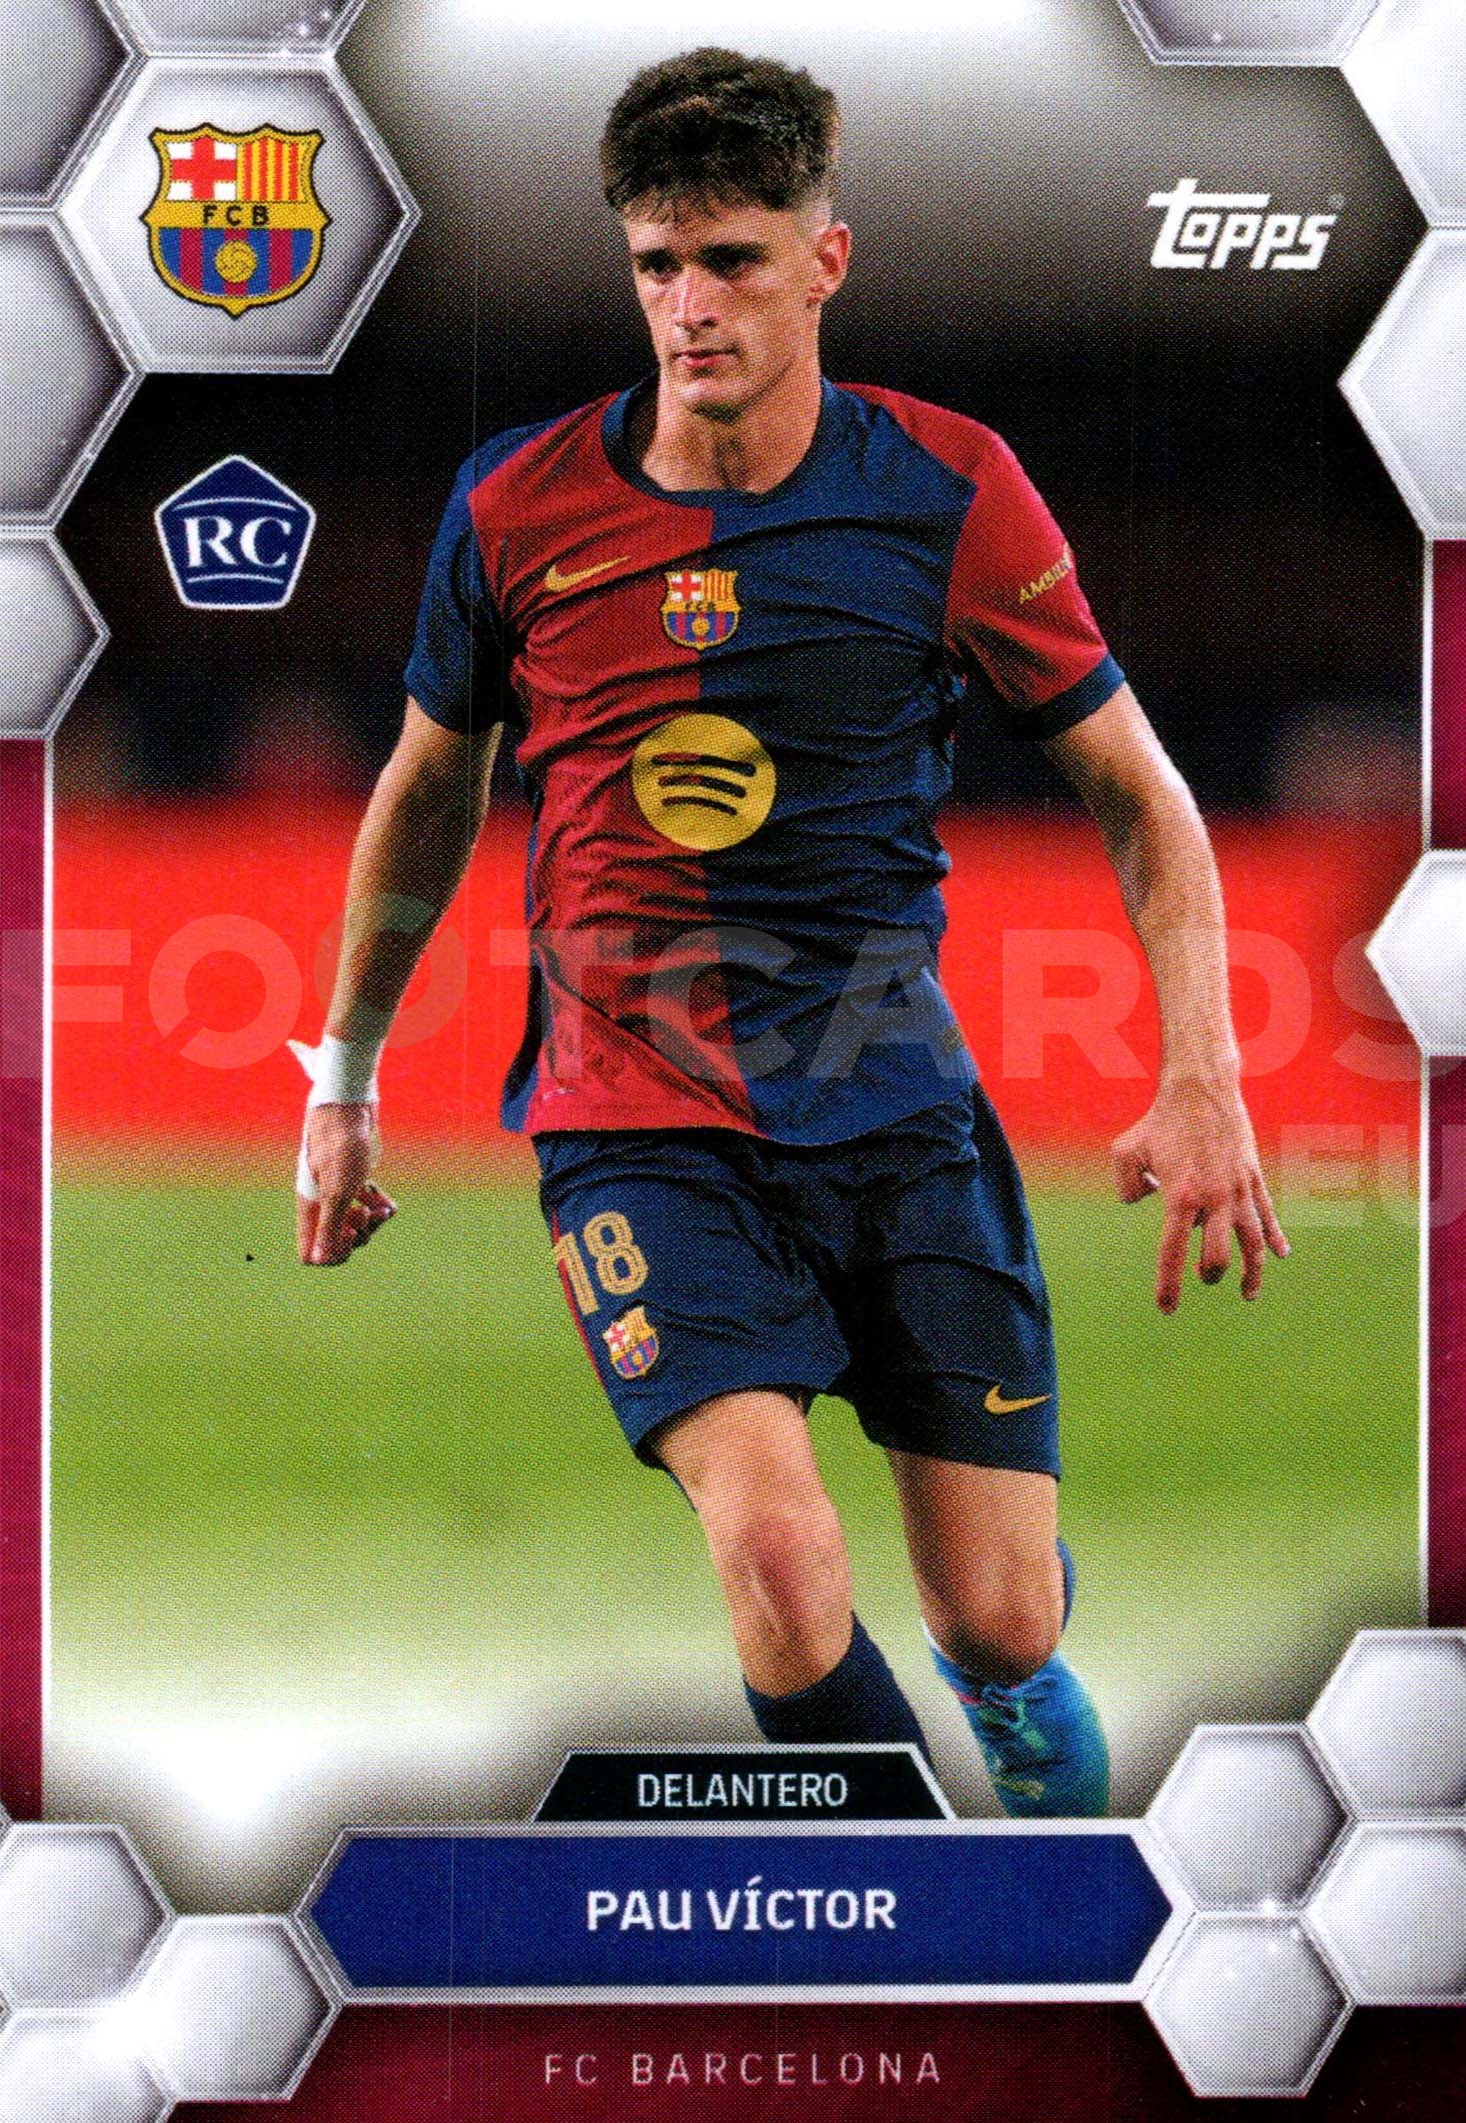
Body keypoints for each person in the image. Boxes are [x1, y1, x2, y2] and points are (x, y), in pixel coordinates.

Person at [292, 49, 1288, 1817]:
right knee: (776, 1553)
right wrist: (341, 1079)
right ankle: (925, 1901)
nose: (691, 306)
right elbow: (428, 791)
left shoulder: (948, 490)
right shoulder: (516, 508)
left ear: (825, 261)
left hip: (894, 1106)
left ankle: (1010, 1691)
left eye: (734, 260)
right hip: (634, 1121)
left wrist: (1202, 1073)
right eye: (658, 265)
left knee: (996, 1620)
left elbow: (1143, 795)